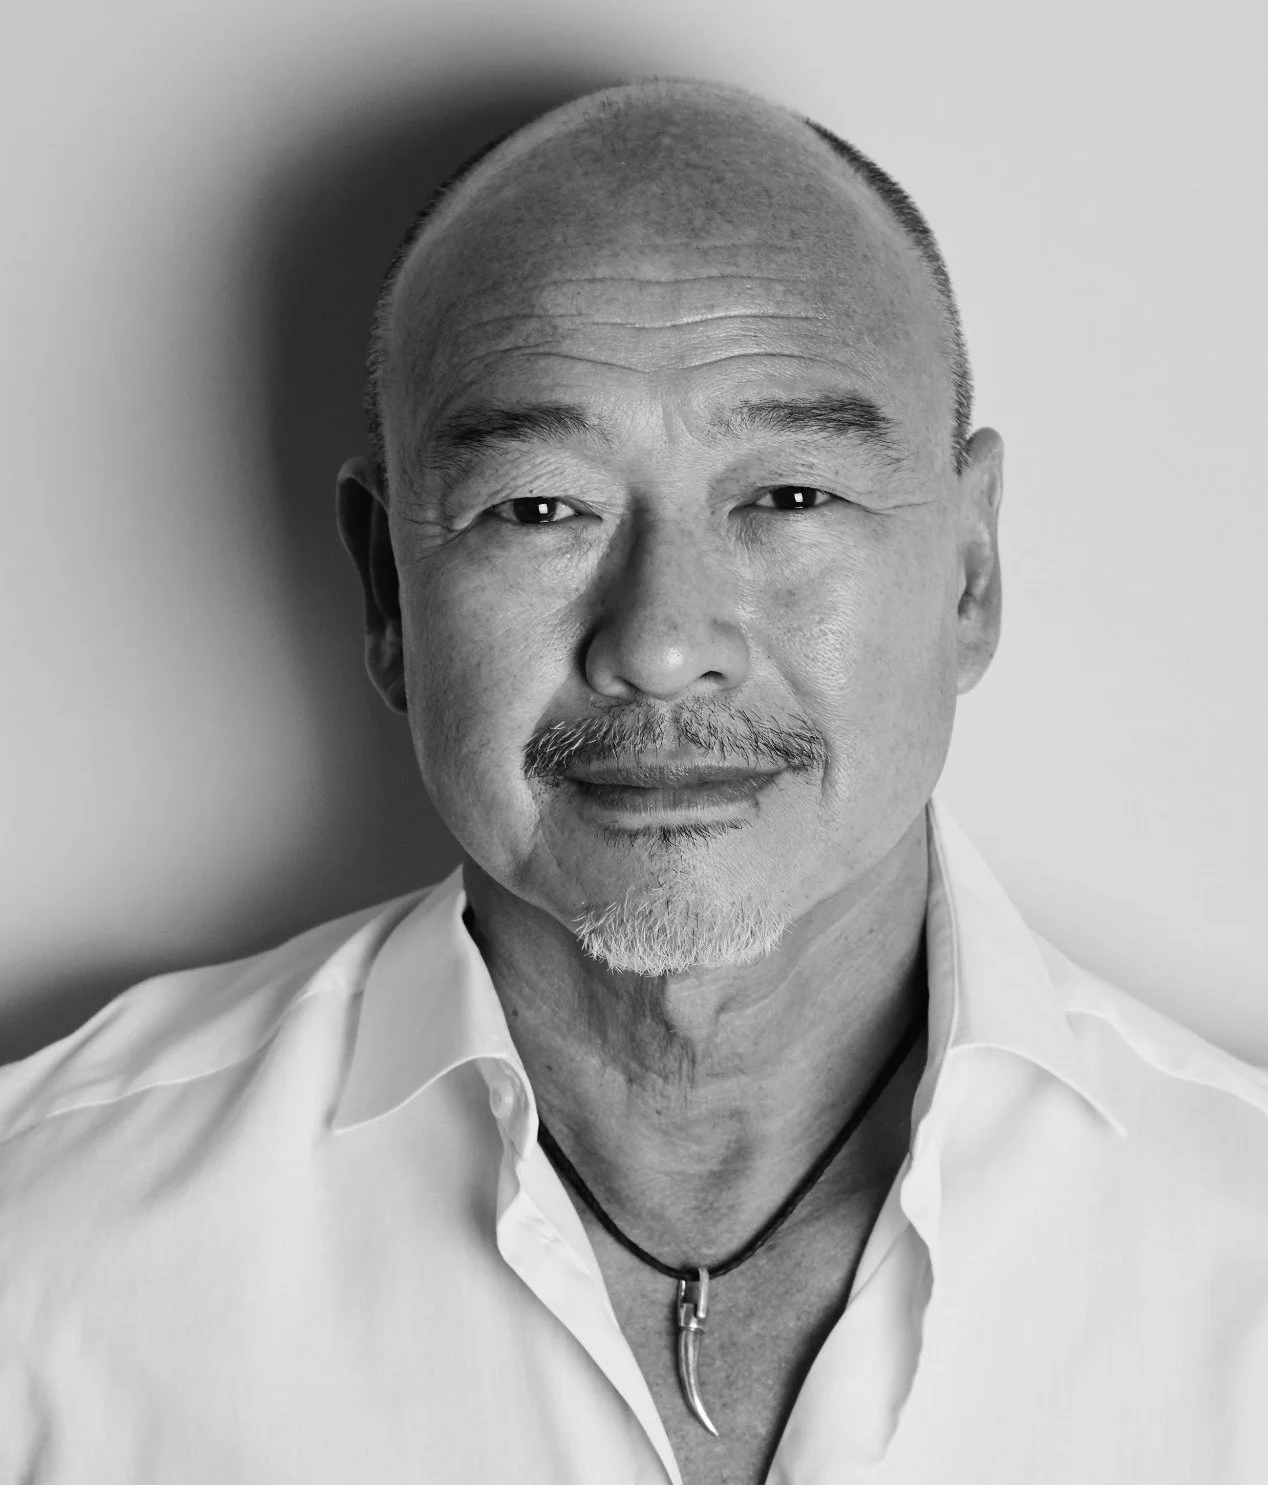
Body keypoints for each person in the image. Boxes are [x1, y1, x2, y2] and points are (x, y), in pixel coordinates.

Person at [1, 78, 1265, 1485]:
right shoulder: (40, 1262)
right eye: (541, 507)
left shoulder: (1241, 1259)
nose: (661, 646)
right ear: (387, 590)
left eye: (788, 497)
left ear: (968, 572)